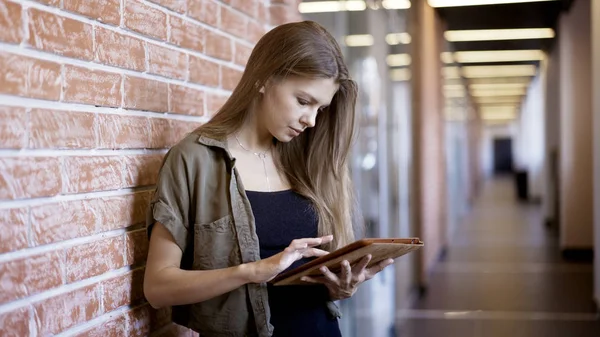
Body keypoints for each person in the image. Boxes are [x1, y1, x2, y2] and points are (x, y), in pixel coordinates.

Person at [143, 20, 394, 337]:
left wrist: (341, 287)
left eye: (321, 108)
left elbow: (322, 283)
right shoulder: (195, 159)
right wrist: (253, 271)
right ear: (264, 78)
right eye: (303, 101)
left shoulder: (311, 160)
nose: (311, 120)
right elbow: (158, 287)